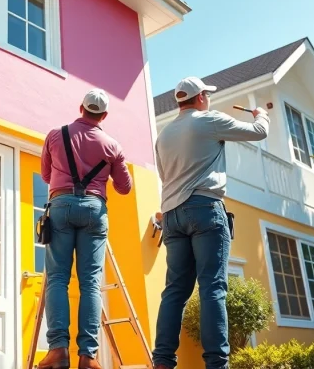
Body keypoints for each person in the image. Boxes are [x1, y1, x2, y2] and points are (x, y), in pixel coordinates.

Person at [151, 77, 270, 369]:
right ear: (201, 97)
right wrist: (260, 113)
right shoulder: (208, 120)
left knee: (175, 291)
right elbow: (259, 132)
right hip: (204, 208)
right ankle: (217, 364)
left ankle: (163, 361)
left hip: (171, 215)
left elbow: (166, 177)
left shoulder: (163, 135)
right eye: (207, 94)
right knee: (212, 288)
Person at [37, 88, 133, 369]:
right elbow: (124, 188)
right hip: (94, 208)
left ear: (81, 108)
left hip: (61, 205)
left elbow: (46, 174)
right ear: (104, 115)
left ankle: (57, 351)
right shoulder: (112, 145)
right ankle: (88, 356)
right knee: (90, 283)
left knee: (57, 279)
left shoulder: (56, 134)